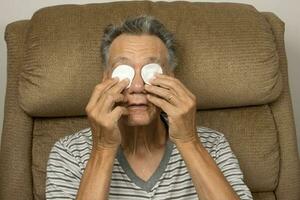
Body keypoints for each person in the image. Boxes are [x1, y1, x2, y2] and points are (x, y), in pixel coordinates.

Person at [46, 15, 253, 200]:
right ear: (104, 80)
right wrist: (103, 149)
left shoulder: (213, 145)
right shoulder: (68, 153)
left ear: (171, 80)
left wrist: (189, 141)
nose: (137, 86)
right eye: (124, 71)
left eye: (151, 71)